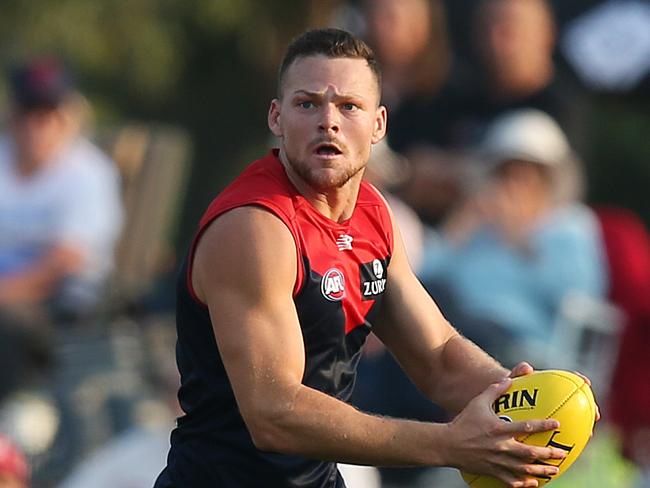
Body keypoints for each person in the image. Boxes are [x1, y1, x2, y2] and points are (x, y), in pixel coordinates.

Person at [154, 29, 574, 488]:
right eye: (307, 104)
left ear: (379, 125)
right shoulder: (255, 228)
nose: (328, 121)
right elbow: (276, 415)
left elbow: (438, 359)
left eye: (348, 106)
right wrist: (449, 444)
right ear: (276, 118)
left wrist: (533, 404)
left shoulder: (374, 215)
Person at [419, 109, 607, 367]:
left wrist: (521, 238)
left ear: (548, 179)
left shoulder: (570, 226)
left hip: (525, 349)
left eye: (527, 175)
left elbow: (578, 301)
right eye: (506, 174)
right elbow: (419, 279)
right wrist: (457, 229)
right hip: (456, 341)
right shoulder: (478, 226)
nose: (514, 185)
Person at [0, 58, 123, 401]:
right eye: (28, 112)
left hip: (60, 304)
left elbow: (64, 261)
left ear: (66, 116)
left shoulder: (88, 174)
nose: (36, 126)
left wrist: (5, 292)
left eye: (47, 114)